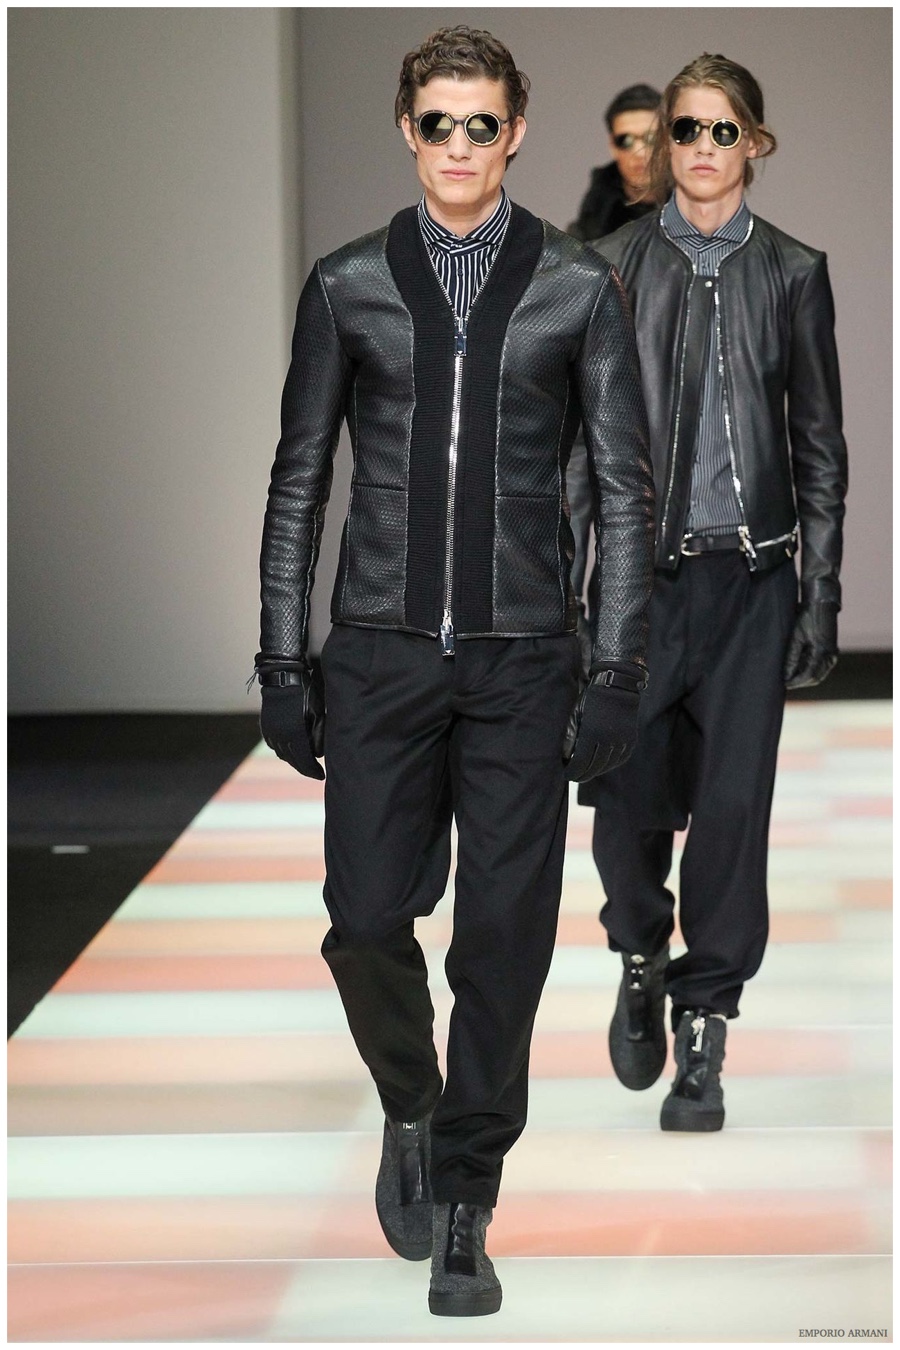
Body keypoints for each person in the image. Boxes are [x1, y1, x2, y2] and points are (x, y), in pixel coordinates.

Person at [252, 25, 655, 1318]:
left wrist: (617, 666)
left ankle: (469, 1194)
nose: (462, 146)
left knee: (503, 937)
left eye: (484, 123)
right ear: (409, 130)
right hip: (377, 655)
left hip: (525, 658)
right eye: (440, 123)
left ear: (517, 131)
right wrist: (279, 652)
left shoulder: (579, 287)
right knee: (366, 919)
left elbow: (626, 494)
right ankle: (412, 1098)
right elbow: (300, 479)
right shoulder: (348, 284)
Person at [577, 53, 847, 1132]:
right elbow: (577, 448)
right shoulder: (609, 267)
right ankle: (640, 949)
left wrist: (820, 591)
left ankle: (706, 1027)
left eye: (721, 130)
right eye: (683, 129)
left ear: (756, 144)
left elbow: (819, 443)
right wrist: (570, 589)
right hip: (639, 585)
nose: (699, 147)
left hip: (752, 580)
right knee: (625, 804)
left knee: (734, 814)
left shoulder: (795, 271)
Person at [567, 82, 662, 241]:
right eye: (625, 140)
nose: (639, 152)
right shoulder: (593, 222)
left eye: (652, 138)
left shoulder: (697, 204)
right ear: (612, 146)